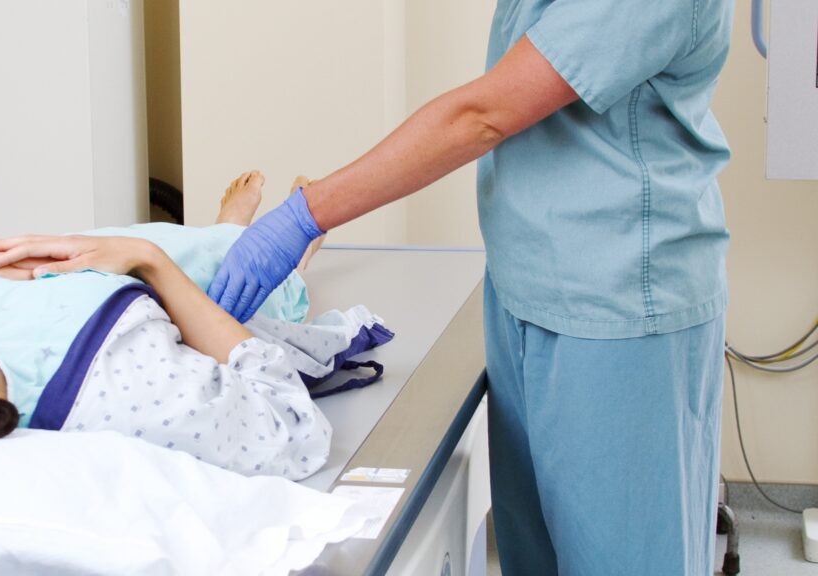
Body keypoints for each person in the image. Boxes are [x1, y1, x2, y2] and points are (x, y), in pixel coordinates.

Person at [195, 4, 733, 575]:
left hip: (620, 301)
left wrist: (306, 215)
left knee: (620, 560)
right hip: (525, 282)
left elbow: (481, 115)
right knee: (536, 555)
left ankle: (232, 232)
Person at [0, 172, 369, 481]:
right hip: (149, 290)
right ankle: (250, 241)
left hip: (95, 281)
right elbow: (293, 429)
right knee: (238, 269)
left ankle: (208, 236)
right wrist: (151, 262)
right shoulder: (122, 390)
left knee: (162, 246)